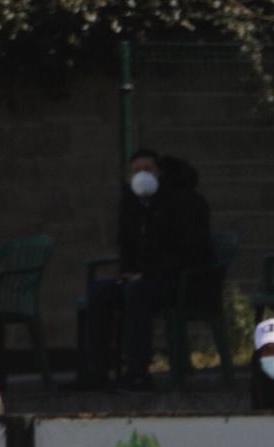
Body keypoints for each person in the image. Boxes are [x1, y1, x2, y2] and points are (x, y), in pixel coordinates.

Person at [79, 150, 214, 391]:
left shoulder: (185, 202)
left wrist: (150, 274)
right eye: (135, 170)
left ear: (160, 172)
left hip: (181, 281)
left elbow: (192, 252)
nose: (141, 175)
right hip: (144, 279)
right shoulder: (132, 204)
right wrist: (128, 272)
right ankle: (95, 371)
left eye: (147, 169)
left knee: (137, 293)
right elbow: (128, 247)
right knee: (100, 292)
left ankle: (138, 371)